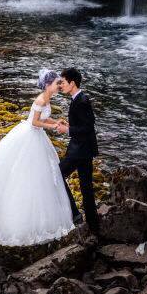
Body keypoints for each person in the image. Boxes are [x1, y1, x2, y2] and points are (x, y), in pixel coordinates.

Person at [0, 70, 74, 246]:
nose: (58, 86)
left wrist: (56, 122)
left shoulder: (47, 98)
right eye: (56, 83)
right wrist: (52, 127)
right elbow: (34, 122)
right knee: (24, 173)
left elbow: (44, 117)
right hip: (31, 137)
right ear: (48, 85)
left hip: (38, 138)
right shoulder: (41, 99)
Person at [56, 67, 99, 233]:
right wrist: (70, 127)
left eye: (63, 82)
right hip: (84, 150)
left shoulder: (81, 100)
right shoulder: (79, 98)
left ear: (72, 83)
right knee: (86, 187)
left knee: (57, 175)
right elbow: (83, 125)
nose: (61, 86)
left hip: (79, 151)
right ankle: (93, 226)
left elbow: (88, 127)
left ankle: (75, 214)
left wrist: (67, 131)